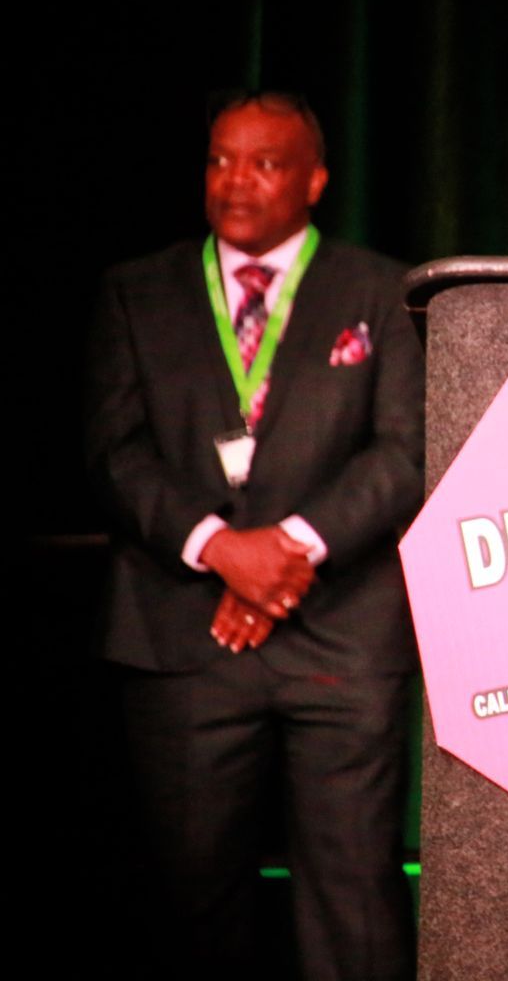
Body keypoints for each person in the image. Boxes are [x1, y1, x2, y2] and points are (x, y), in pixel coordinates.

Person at [84, 90, 423, 980]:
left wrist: (287, 551)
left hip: (342, 639)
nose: (236, 181)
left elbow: (404, 452)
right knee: (191, 902)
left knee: (354, 899)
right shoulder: (136, 290)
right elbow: (114, 454)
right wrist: (221, 547)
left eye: (265, 163)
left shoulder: (382, 289)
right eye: (220, 160)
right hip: (181, 635)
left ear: (314, 180)